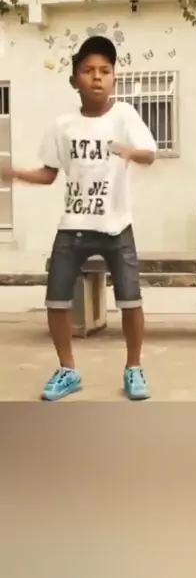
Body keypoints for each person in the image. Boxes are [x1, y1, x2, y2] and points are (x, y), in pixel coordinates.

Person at [0, 36, 157, 402]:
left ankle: (134, 367)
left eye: (105, 70)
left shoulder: (125, 116)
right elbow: (49, 174)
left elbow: (149, 154)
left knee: (131, 301)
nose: (97, 77)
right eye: (88, 70)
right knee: (56, 301)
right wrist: (15, 173)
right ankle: (68, 370)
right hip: (72, 226)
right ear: (74, 80)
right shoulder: (63, 125)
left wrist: (130, 152)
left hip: (116, 226)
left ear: (114, 78)